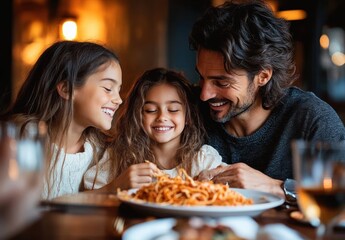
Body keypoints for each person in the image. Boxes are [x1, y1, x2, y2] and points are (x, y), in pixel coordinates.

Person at [188, 0, 345, 199]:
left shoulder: (312, 119)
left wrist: (276, 186)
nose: (205, 94)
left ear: (263, 76)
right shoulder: (185, 111)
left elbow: (340, 195)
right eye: (202, 77)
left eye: (222, 82)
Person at [0, 41, 123, 200]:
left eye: (118, 90)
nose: (119, 100)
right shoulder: (19, 140)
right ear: (66, 89)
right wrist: (110, 189)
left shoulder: (102, 152)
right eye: (108, 88)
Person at [84, 67, 224, 190]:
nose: (162, 117)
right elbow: (89, 196)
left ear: (188, 116)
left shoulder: (203, 160)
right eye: (150, 110)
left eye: (173, 109)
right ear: (138, 115)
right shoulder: (118, 157)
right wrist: (115, 186)